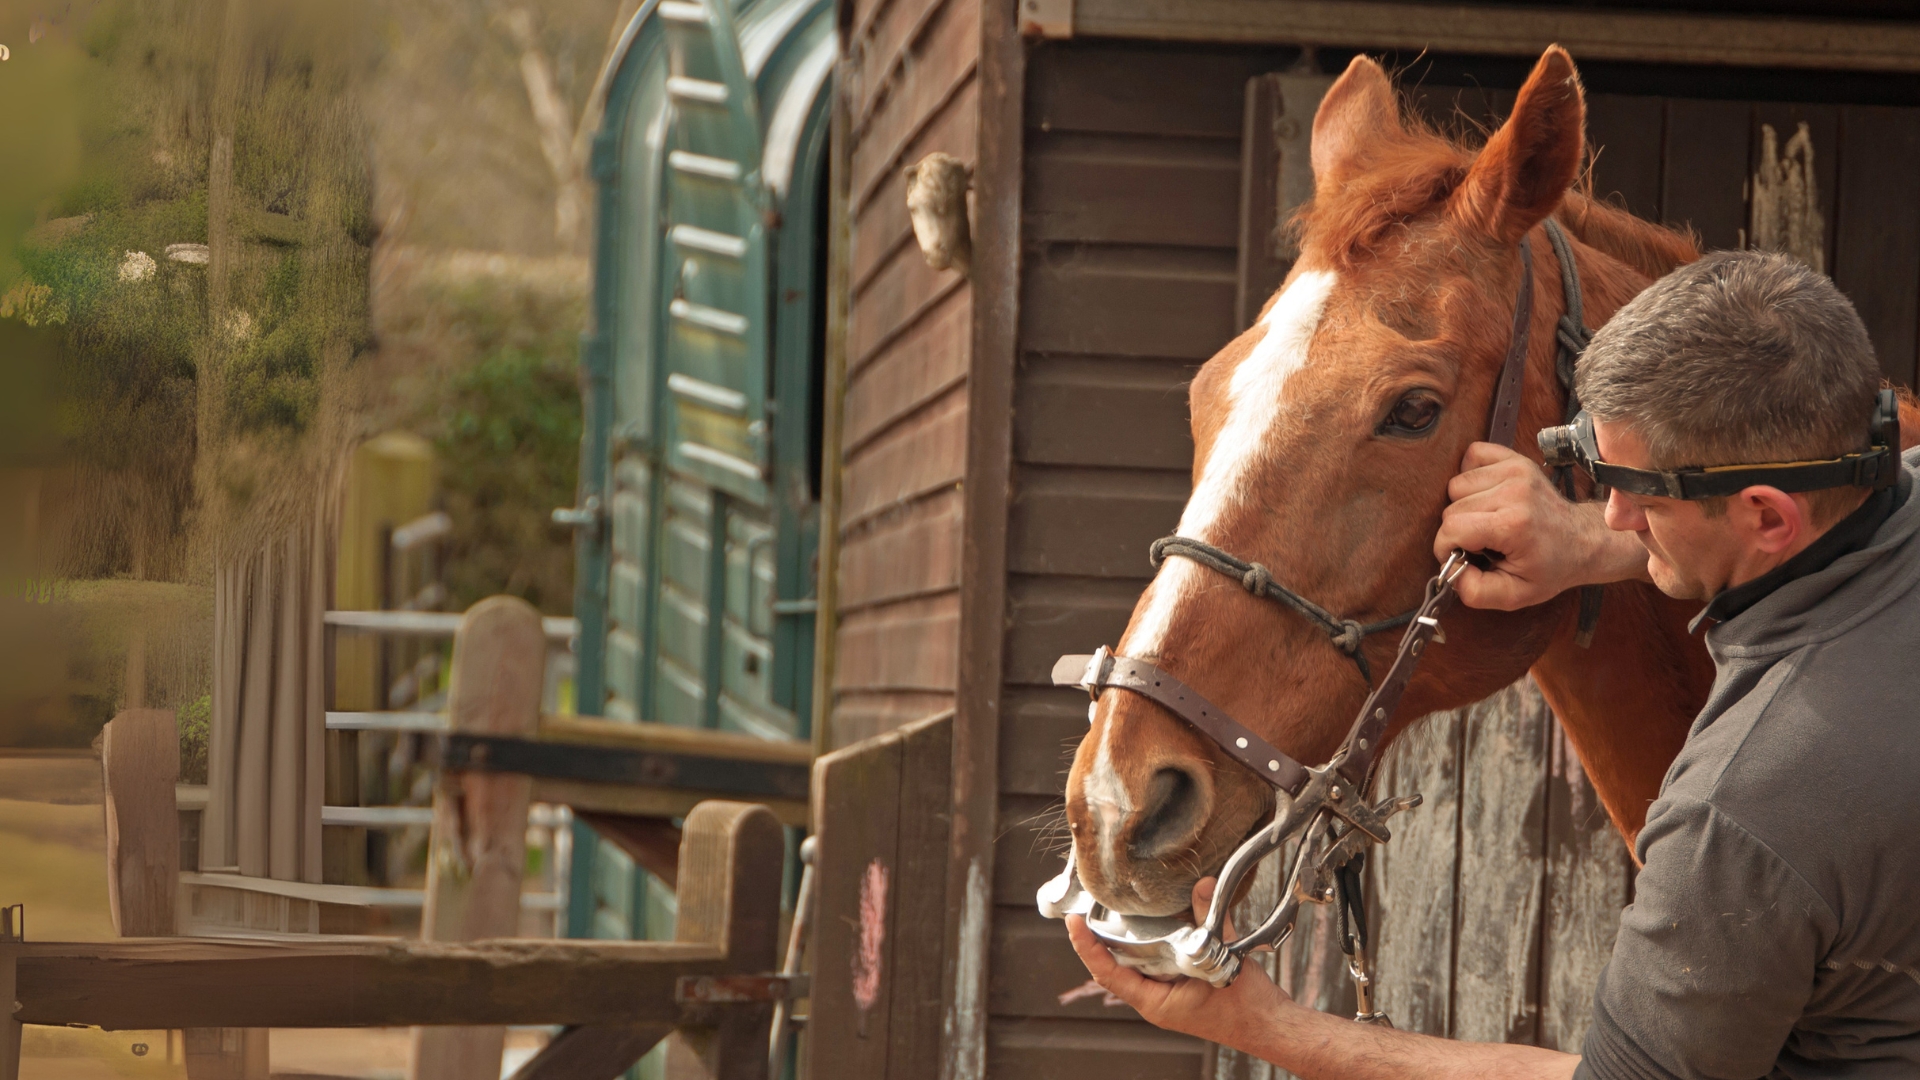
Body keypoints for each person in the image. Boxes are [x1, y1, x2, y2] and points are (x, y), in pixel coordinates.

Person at [1067, 250, 1920, 1078]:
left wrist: (1272, 1027)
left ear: (1766, 520)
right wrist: (1576, 543)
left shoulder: (1742, 813)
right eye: (1597, 463)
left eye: (1634, 489)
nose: (1609, 513)